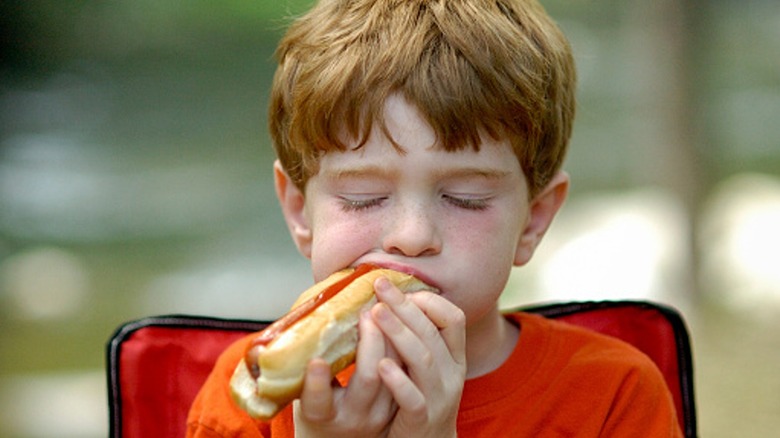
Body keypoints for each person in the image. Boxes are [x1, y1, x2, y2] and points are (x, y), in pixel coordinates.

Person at [187, 0, 683, 436]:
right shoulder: (248, 399)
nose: (412, 237)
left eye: (465, 197)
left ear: (532, 222)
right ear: (300, 212)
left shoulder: (612, 395)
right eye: (362, 196)